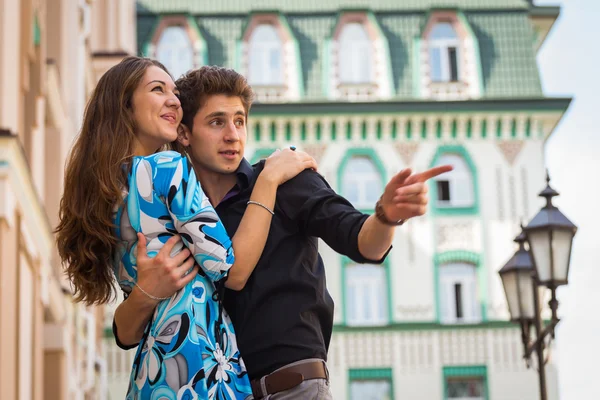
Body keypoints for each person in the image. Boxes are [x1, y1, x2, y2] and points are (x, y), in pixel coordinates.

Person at [122, 65, 452, 399]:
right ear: (184, 134)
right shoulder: (183, 214)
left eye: (239, 120)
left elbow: (361, 240)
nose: (233, 135)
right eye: (217, 121)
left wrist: (385, 216)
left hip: (296, 386)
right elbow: (133, 327)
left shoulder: (287, 179)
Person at [54, 56, 317, 400]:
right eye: (157, 89)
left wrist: (146, 293)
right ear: (126, 106)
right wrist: (268, 179)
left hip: (154, 373)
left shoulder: (104, 193)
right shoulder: (168, 168)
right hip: (198, 368)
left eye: (174, 92)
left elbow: (128, 328)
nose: (173, 100)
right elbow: (232, 270)